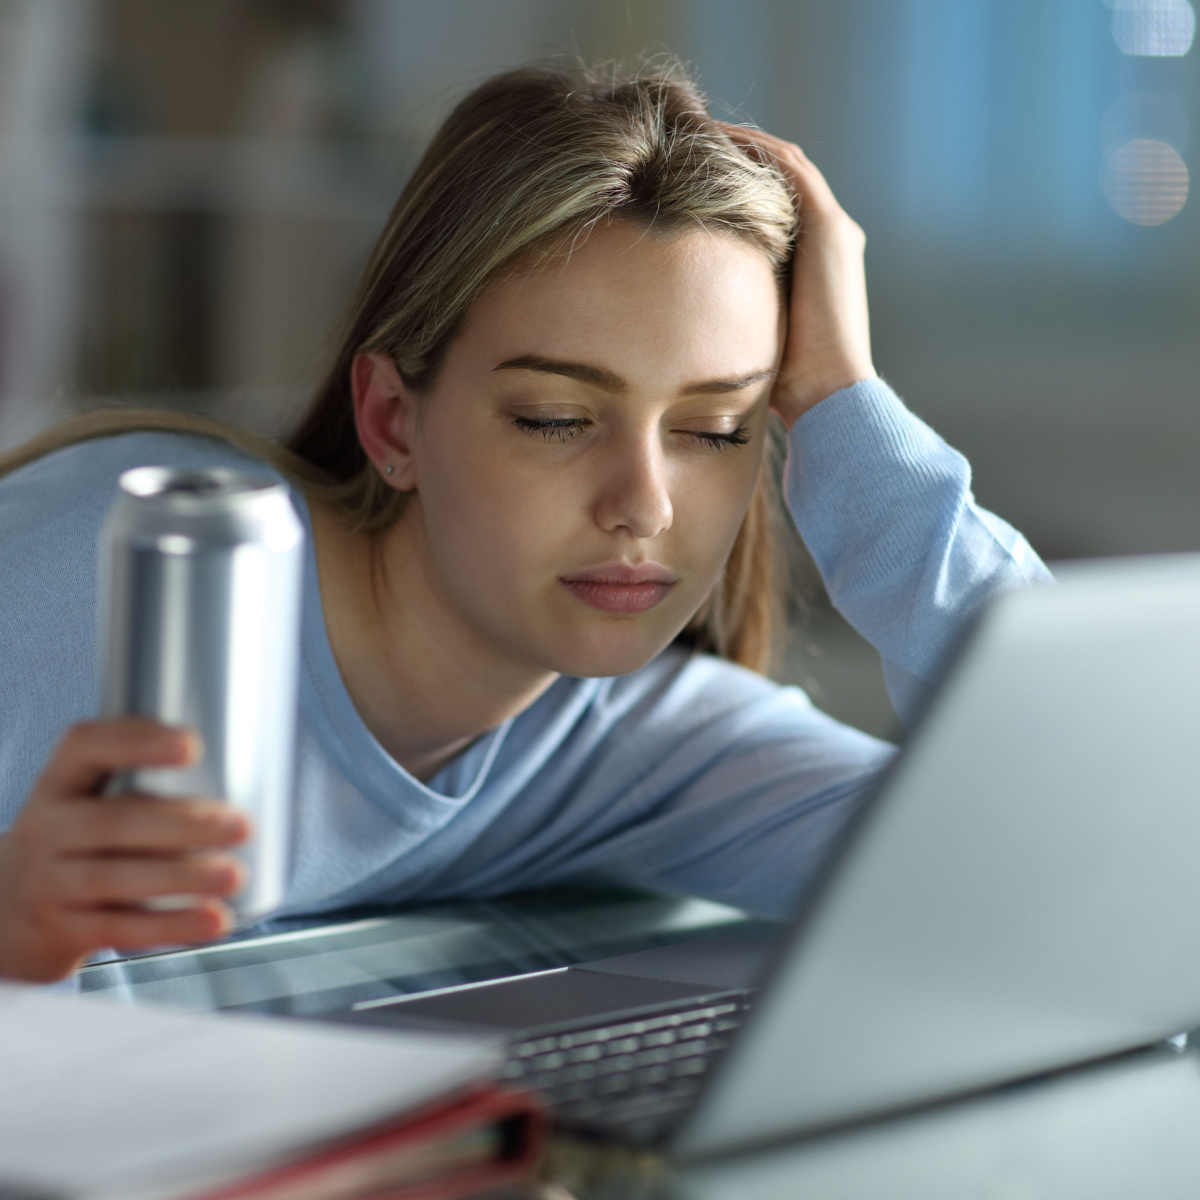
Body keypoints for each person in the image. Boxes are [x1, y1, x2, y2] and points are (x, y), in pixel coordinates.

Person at [0, 61, 1050, 984]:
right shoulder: (116, 570)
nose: (643, 504)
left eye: (718, 427)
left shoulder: (640, 747)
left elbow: (1095, 879)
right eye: (556, 419)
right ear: (390, 419)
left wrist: (848, 415)